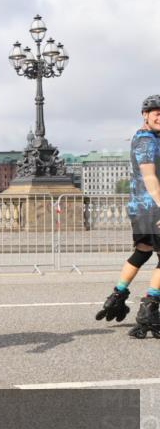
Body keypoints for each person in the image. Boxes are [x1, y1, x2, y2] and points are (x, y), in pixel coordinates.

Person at [96, 94, 160, 338]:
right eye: (156, 112)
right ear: (145, 114)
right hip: (151, 208)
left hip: (140, 207)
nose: (159, 116)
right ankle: (150, 308)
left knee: (142, 251)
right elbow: (150, 176)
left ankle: (117, 295)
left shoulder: (152, 138)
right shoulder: (146, 141)